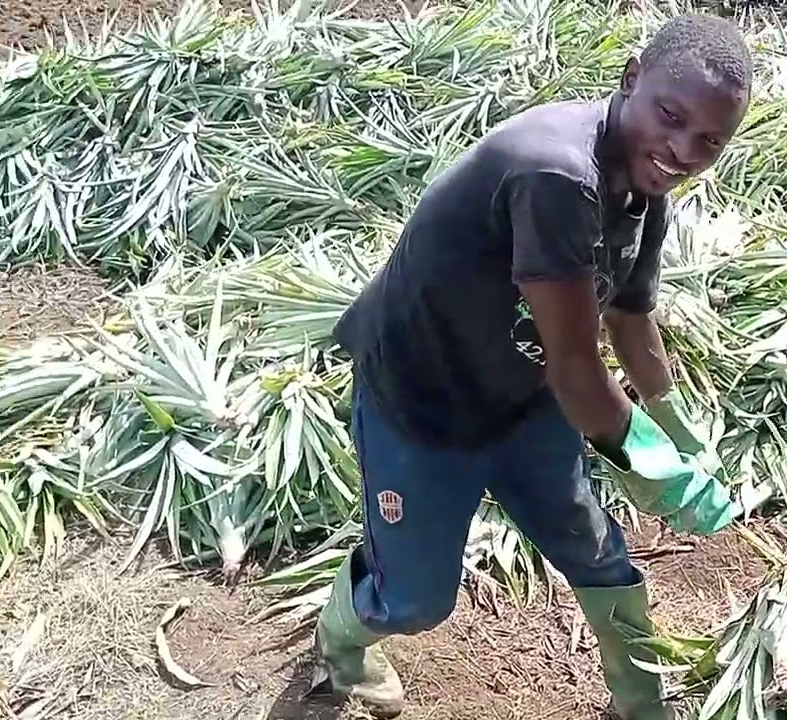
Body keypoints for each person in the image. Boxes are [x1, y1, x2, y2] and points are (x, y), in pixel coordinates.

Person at [315, 12, 753, 720]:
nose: (682, 149)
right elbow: (576, 367)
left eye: (709, 140)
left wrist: (675, 420)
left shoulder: (644, 189)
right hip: (424, 405)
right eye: (671, 117)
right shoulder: (555, 174)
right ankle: (343, 637)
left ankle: (640, 701)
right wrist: (654, 467)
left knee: (597, 551)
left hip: (522, 400)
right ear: (631, 76)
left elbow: (631, 319)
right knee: (417, 600)